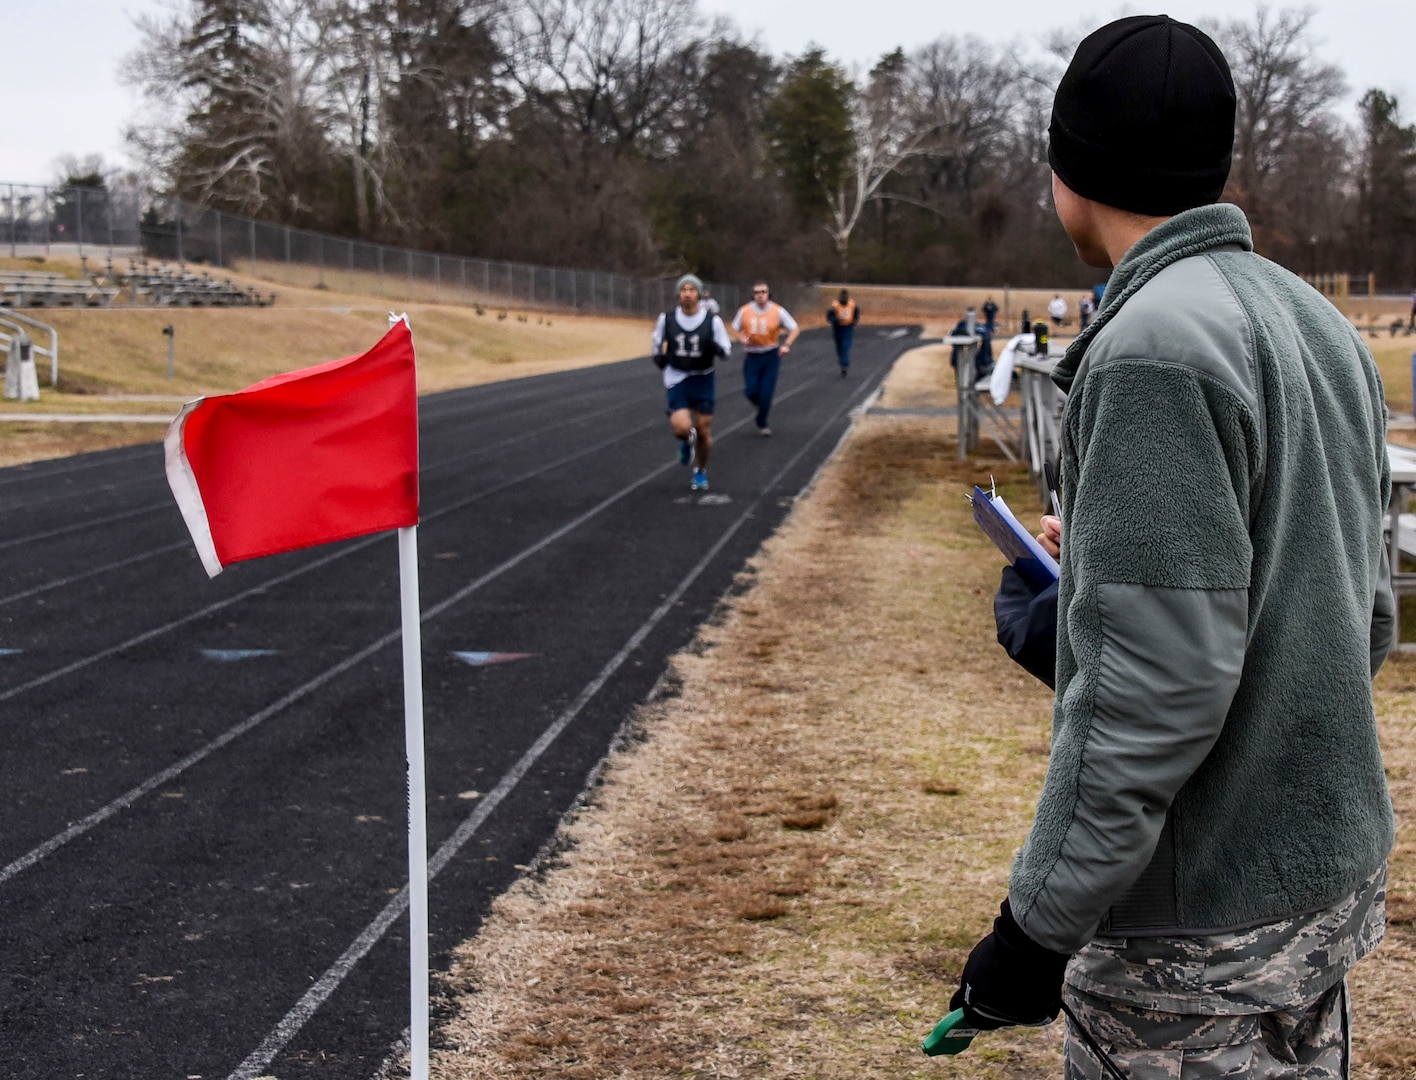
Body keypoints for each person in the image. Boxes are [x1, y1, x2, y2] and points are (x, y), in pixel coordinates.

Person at [953, 15, 1395, 1080]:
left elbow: (1160, 689)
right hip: (1317, 883)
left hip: (1200, 929)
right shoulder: (1310, 319)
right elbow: (1352, 609)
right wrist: (1096, 585)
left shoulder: (1154, 346)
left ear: (1071, 166)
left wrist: (1032, 933)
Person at [651, 274, 733, 492]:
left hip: (703, 377)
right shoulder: (666, 319)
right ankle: (687, 442)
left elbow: (726, 348)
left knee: (704, 430)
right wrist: (658, 356)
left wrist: (719, 349)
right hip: (677, 376)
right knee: (680, 428)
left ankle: (700, 471)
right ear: (679, 293)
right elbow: (656, 342)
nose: (687, 294)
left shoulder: (711, 321)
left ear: (699, 293)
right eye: (683, 289)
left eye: (692, 290)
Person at [732, 282, 800, 435]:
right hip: (752, 355)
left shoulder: (777, 311)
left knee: (766, 393)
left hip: (770, 355)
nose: (760, 295)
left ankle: (762, 422)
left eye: (763, 292)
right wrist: (742, 338)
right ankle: (760, 405)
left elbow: (795, 328)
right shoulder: (745, 311)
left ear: (769, 294)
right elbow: (735, 327)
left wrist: (786, 345)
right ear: (753, 295)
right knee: (750, 390)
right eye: (757, 292)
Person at [827, 289, 860, 375]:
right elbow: (829, 316)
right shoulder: (835, 305)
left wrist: (855, 321)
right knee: (839, 347)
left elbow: (856, 314)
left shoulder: (852, 304)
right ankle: (842, 361)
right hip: (837, 328)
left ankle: (844, 365)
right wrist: (835, 320)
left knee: (845, 346)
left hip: (848, 328)